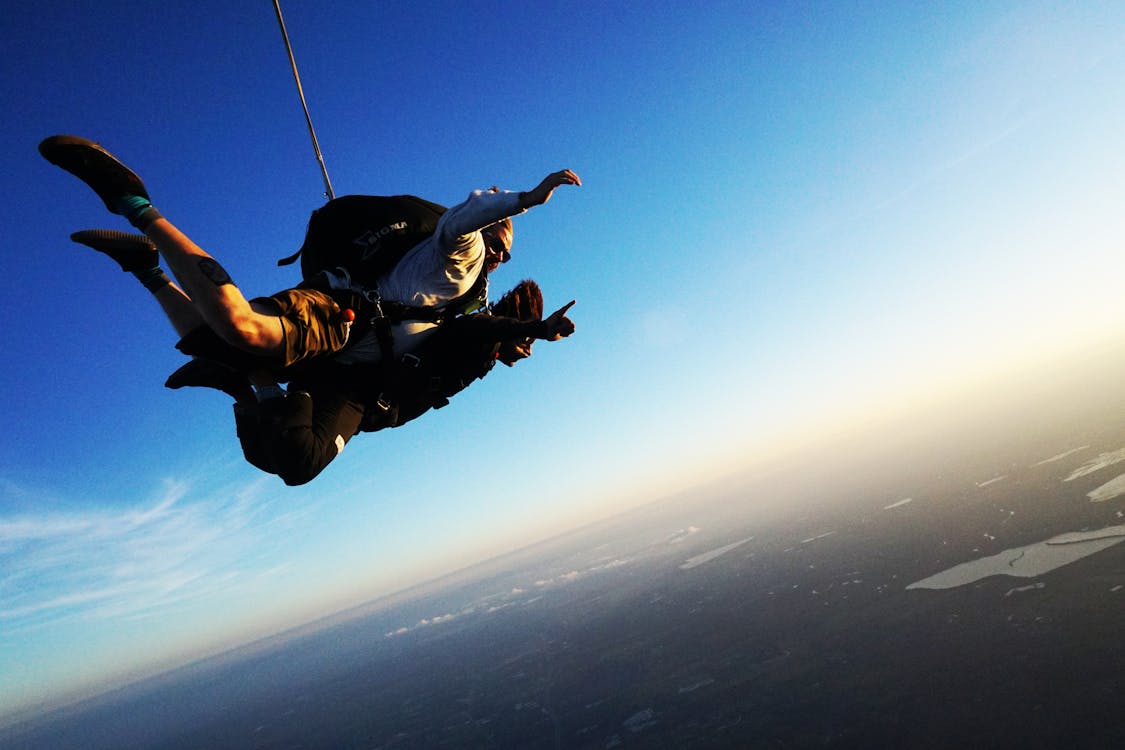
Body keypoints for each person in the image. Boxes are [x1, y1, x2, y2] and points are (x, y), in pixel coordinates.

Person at [38, 135, 582, 378]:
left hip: (347, 348)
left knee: (207, 343)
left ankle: (148, 268)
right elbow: (463, 219)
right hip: (340, 315)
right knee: (240, 329)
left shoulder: (474, 304)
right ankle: (133, 201)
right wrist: (525, 201)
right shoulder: (462, 257)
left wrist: (529, 332)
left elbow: (479, 335)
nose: (498, 257)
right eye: (500, 247)